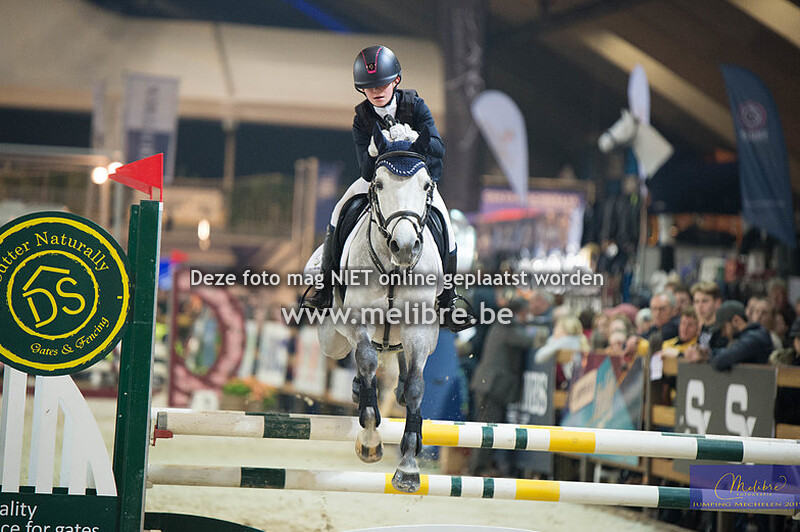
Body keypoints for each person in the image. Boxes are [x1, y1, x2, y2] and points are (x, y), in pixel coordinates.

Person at [303, 45, 474, 332]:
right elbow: (365, 170)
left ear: (396, 80)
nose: (376, 91)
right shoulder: (361, 117)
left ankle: (448, 299)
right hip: (379, 178)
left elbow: (438, 148)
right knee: (339, 210)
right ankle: (326, 286)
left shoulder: (415, 105)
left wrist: (414, 136)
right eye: (369, 87)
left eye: (382, 84)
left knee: (445, 221)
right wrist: (373, 149)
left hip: (415, 180)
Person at [468, 297, 535, 476]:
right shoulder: (508, 325)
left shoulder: (501, 322)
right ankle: (478, 469)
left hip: (490, 384)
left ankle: (483, 466)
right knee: (487, 429)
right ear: (520, 312)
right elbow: (527, 341)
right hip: (493, 386)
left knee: (488, 428)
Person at [686, 300, 772, 370]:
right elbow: (728, 352)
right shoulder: (748, 336)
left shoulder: (755, 337)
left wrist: (705, 357)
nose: (723, 334)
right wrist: (706, 353)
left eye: (724, 328)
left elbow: (721, 361)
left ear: (736, 320)